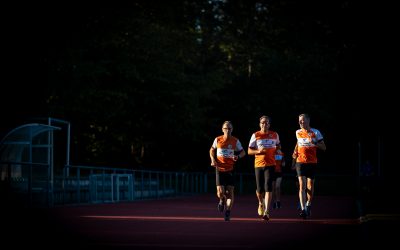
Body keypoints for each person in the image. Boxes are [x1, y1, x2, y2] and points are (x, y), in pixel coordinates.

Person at [210, 121, 246, 221]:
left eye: (229, 129)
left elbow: (243, 152)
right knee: (220, 192)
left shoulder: (235, 141)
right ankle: (221, 199)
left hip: (230, 169)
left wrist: (237, 156)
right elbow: (212, 149)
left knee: (230, 192)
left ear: (232, 130)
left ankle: (228, 211)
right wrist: (213, 159)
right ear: (222, 129)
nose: (227, 130)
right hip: (219, 168)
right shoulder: (217, 139)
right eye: (225, 128)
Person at [293, 113, 326, 219]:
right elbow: (298, 144)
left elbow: (324, 147)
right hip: (300, 162)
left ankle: (308, 204)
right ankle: (303, 210)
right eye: (299, 121)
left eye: (303, 120)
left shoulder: (316, 132)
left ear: (308, 120)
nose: (301, 122)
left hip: (312, 162)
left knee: (310, 186)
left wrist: (315, 143)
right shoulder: (298, 132)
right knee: (302, 185)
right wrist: (294, 155)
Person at [248, 115, 280, 221]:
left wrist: (277, 150)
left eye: (266, 123)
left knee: (268, 186)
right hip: (258, 165)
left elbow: (278, 145)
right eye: (262, 122)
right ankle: (260, 202)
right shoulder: (255, 135)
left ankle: (267, 211)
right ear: (259, 124)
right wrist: (258, 151)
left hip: (270, 164)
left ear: (269, 124)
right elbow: (249, 151)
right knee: (259, 189)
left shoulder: (274, 135)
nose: (264, 124)